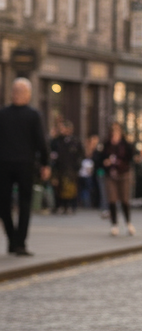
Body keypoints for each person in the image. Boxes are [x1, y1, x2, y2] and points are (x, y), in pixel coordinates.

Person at [0, 78, 50, 256]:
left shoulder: (4, 114)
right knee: (22, 203)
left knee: (7, 203)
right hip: (20, 164)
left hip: (9, 164)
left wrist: (45, 163)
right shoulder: (32, 115)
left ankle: (15, 241)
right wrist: (45, 163)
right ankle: (18, 242)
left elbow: (41, 142)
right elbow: (41, 142)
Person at [100, 122, 136, 235]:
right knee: (112, 199)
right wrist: (106, 162)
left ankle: (128, 223)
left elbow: (131, 157)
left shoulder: (125, 144)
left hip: (124, 174)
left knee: (125, 199)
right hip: (111, 175)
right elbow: (100, 158)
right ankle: (114, 224)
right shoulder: (107, 145)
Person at [50, 120, 84, 214]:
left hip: (71, 168)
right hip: (58, 167)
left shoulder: (75, 141)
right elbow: (52, 152)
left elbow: (80, 155)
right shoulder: (56, 141)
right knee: (58, 186)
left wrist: (77, 166)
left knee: (70, 187)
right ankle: (60, 205)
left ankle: (70, 205)